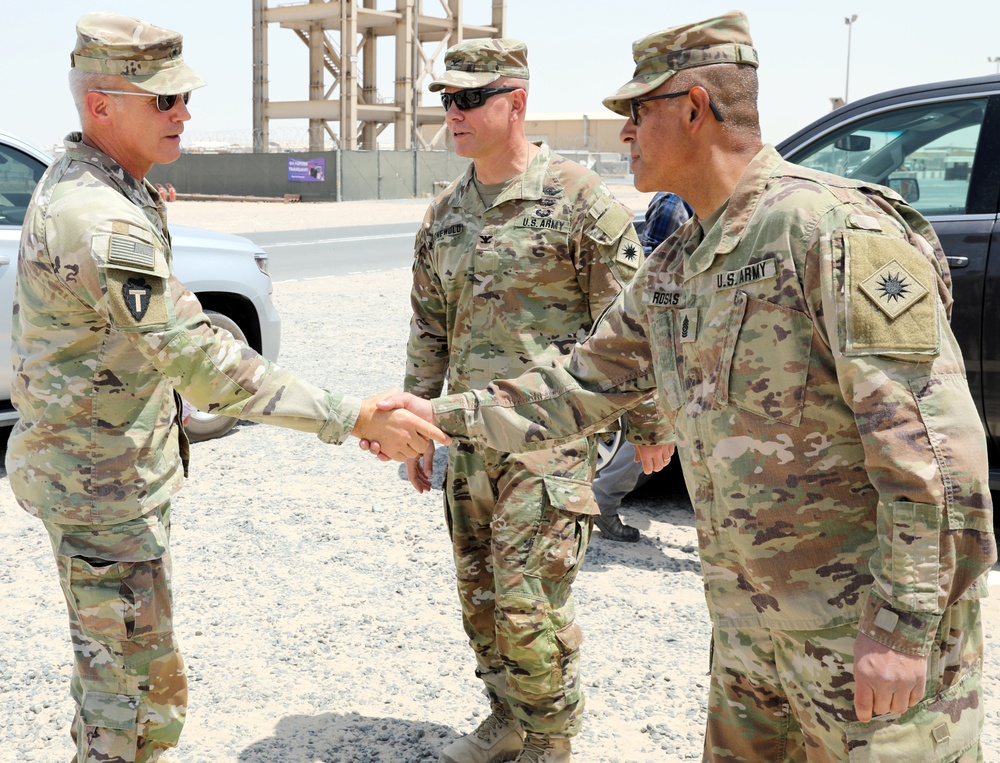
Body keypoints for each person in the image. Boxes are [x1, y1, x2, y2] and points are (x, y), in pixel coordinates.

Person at [371, 11, 997, 761]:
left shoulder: (829, 232)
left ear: (695, 109)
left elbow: (935, 452)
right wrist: (431, 412)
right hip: (748, 644)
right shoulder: (675, 270)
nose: (625, 133)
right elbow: (570, 386)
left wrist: (902, 623)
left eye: (637, 111)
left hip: (862, 652)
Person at [6, 13, 448, 763]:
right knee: (134, 711)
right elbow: (207, 363)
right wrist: (355, 415)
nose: (184, 113)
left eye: (183, 98)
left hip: (103, 478)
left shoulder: (105, 184)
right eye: (162, 101)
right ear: (101, 106)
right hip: (99, 492)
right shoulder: (99, 216)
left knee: (132, 690)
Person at [402, 38, 672, 763]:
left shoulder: (580, 202)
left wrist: (650, 422)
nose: (452, 114)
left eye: (468, 99)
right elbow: (430, 325)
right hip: (467, 437)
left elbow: (628, 322)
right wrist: (415, 425)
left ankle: (551, 738)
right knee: (481, 600)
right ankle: (509, 716)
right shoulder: (445, 214)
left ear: (515, 102)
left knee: (528, 605)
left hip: (550, 439)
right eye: (446, 101)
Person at [592, 190, 692, 543]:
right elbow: (655, 278)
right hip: (680, 333)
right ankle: (601, 501)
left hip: (702, 329)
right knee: (663, 422)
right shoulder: (674, 202)